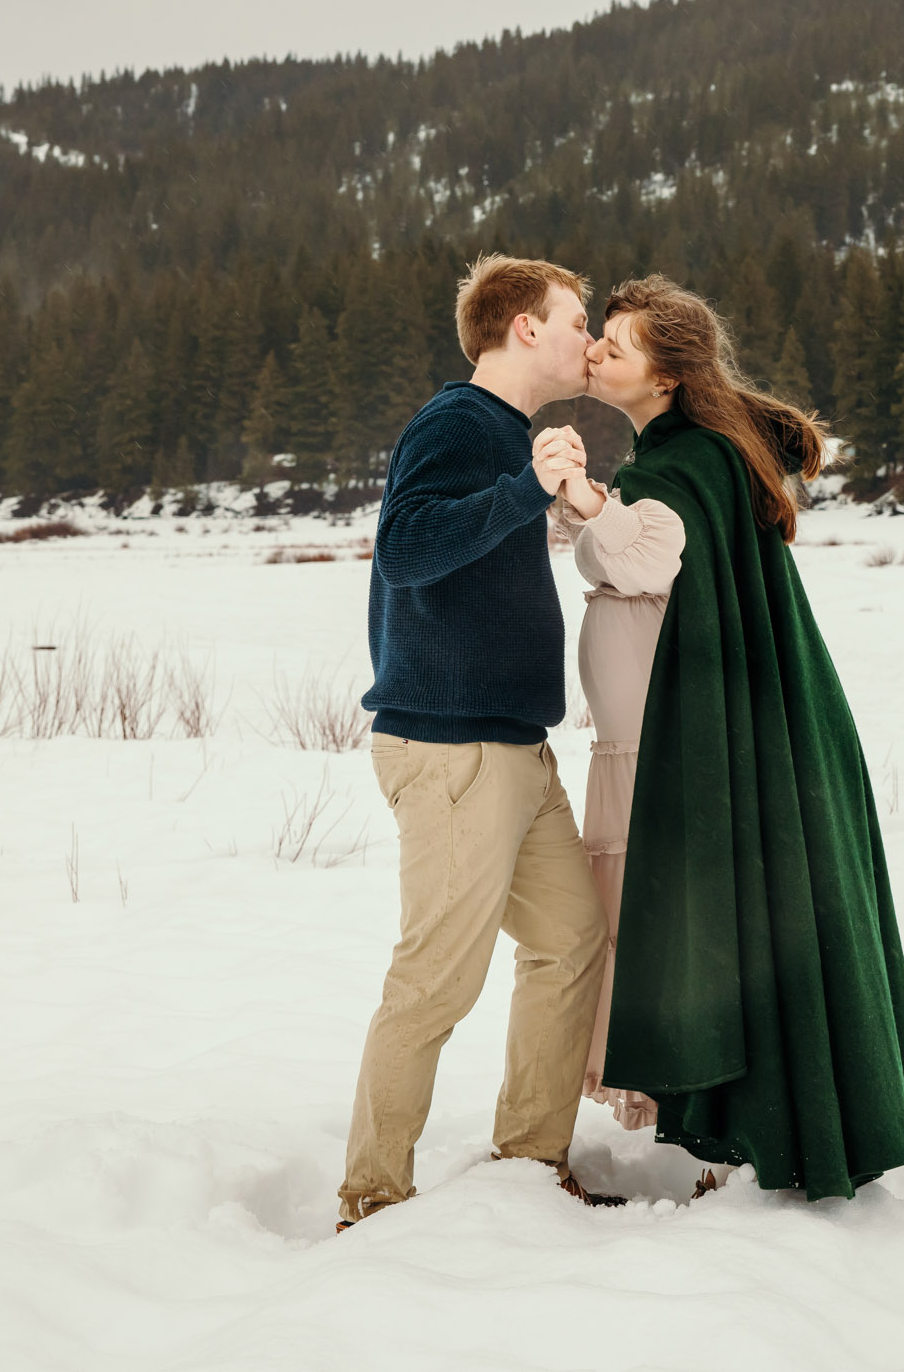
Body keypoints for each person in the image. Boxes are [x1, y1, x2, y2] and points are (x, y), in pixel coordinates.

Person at [553, 275, 904, 1200]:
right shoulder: (688, 454)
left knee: (705, 924)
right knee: (710, 923)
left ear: (669, 375)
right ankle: (735, 1125)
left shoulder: (683, 465)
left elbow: (646, 552)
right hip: (678, 743)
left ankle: (739, 1135)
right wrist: (593, 503)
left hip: (682, 751)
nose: (599, 353)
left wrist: (581, 495)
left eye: (618, 343)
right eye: (596, 337)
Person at [338, 254, 620, 1232]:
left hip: (510, 746)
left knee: (570, 941)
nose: (589, 339)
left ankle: (529, 1167)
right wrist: (523, 488)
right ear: (523, 327)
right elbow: (407, 549)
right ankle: (370, 1198)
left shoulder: (513, 434)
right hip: (451, 748)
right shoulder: (458, 421)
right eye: (577, 319)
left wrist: (554, 493)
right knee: (435, 980)